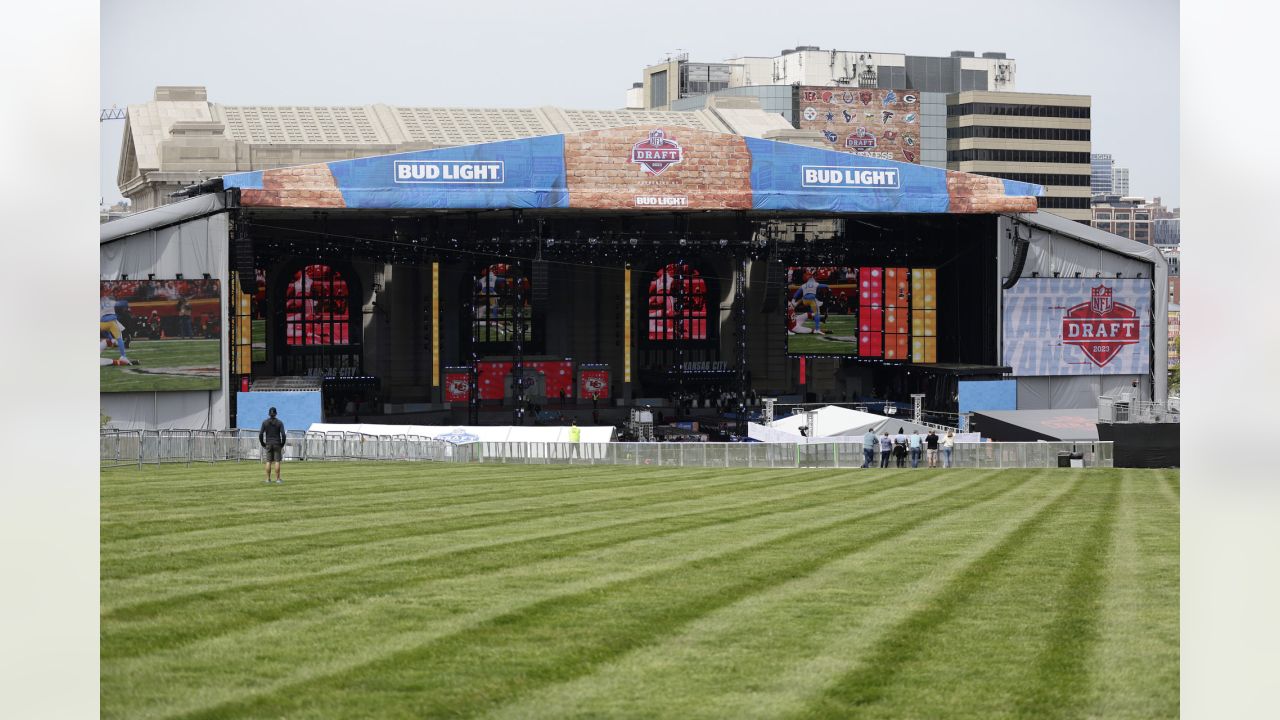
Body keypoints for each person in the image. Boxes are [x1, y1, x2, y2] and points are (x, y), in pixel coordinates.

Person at [259, 407, 286, 484]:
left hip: (268, 443)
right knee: (277, 461)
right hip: (277, 443)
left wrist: (262, 443)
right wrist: (282, 444)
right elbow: (283, 435)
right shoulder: (280, 423)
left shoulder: (265, 422)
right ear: (276, 413)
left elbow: (260, 434)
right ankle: (277, 479)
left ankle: (268, 479)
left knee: (268, 461)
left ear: (269, 414)